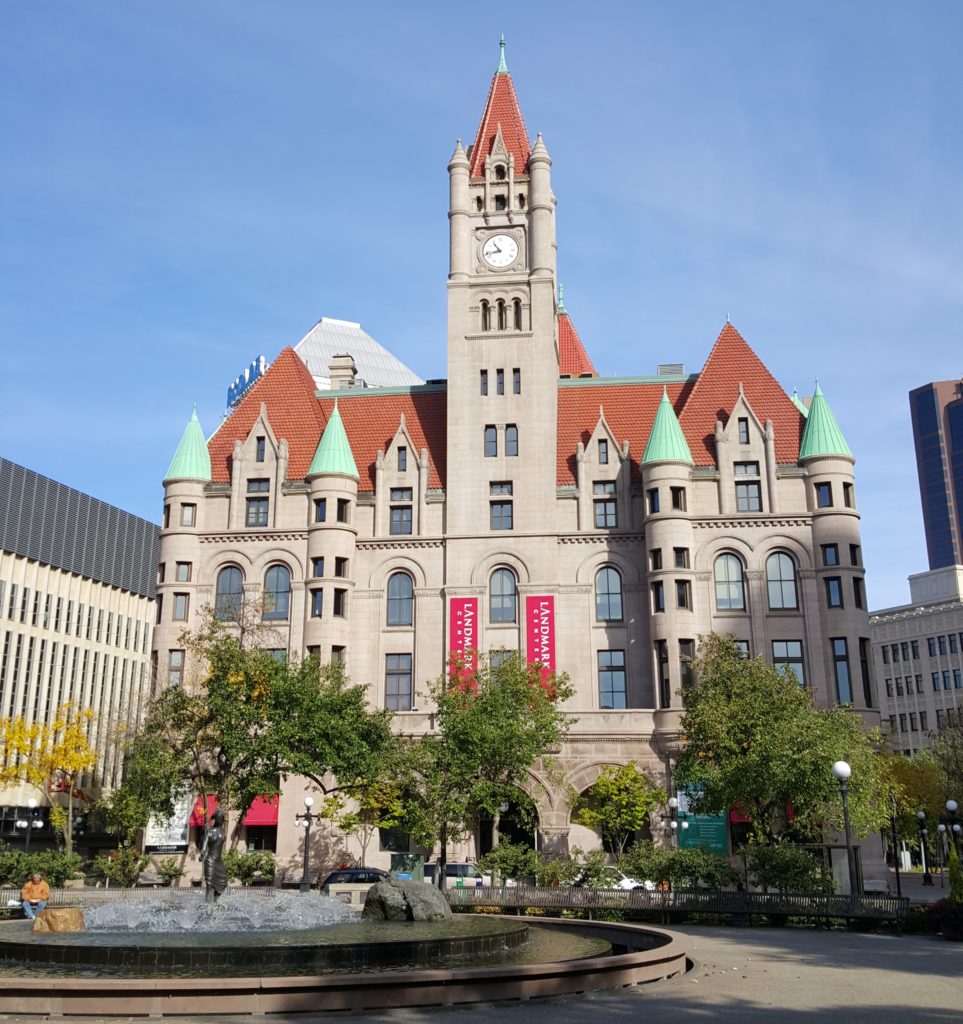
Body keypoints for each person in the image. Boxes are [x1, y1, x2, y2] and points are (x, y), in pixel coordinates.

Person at [199, 807, 227, 904]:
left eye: (222, 818)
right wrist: (202, 854)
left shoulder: (223, 831)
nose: (221, 820)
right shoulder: (209, 832)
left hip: (219, 862)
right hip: (210, 861)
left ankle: (214, 902)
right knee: (210, 886)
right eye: (220, 818)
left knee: (223, 884)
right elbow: (204, 846)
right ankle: (207, 908)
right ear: (216, 818)